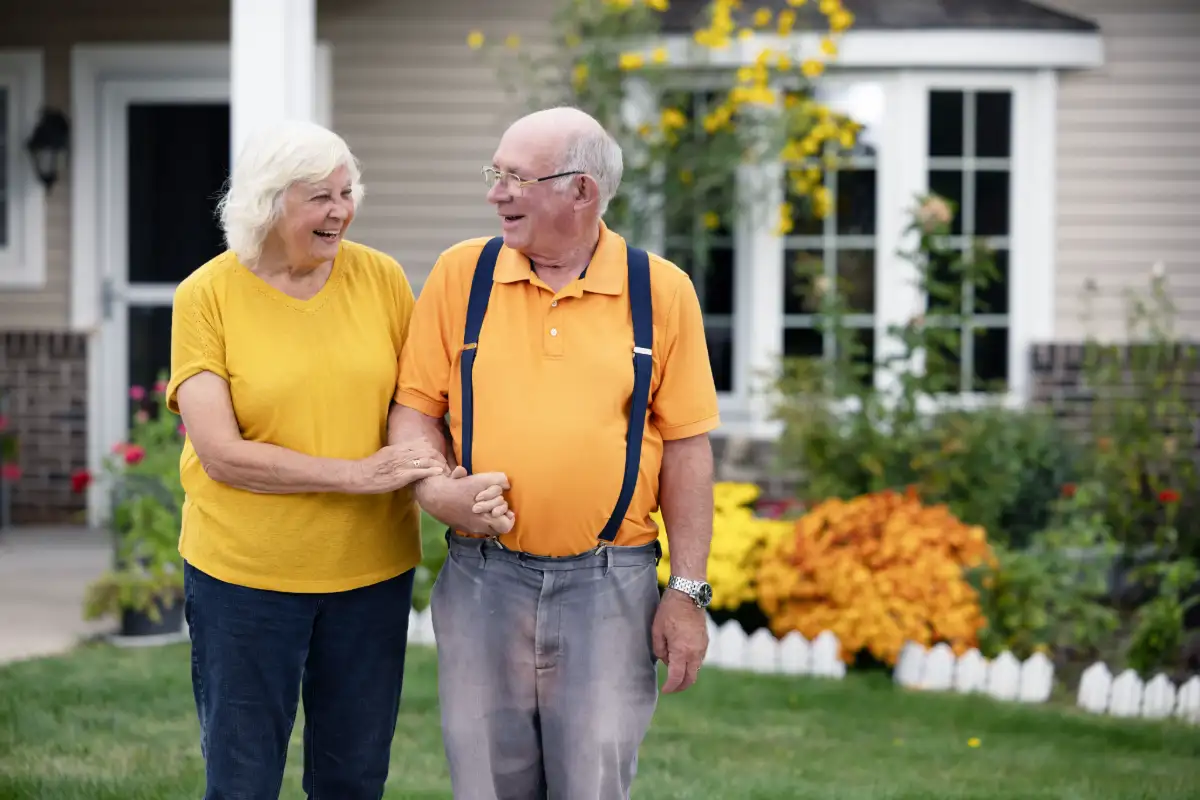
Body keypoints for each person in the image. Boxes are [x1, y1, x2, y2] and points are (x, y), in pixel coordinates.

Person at [166, 119, 512, 800]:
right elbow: (222, 455)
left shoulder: (380, 278)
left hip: (368, 575)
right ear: (269, 203)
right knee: (242, 779)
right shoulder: (207, 295)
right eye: (319, 197)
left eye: (347, 192)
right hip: (246, 577)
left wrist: (441, 484)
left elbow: (415, 403)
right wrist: (357, 475)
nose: (340, 212)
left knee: (353, 777)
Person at [392, 106, 719, 799]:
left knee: (593, 785)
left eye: (516, 178)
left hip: (611, 587)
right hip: (484, 580)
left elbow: (688, 447)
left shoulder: (660, 291)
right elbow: (415, 410)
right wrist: (436, 490)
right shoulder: (461, 276)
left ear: (582, 192)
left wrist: (686, 592)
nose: (495, 194)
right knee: (484, 784)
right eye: (496, 174)